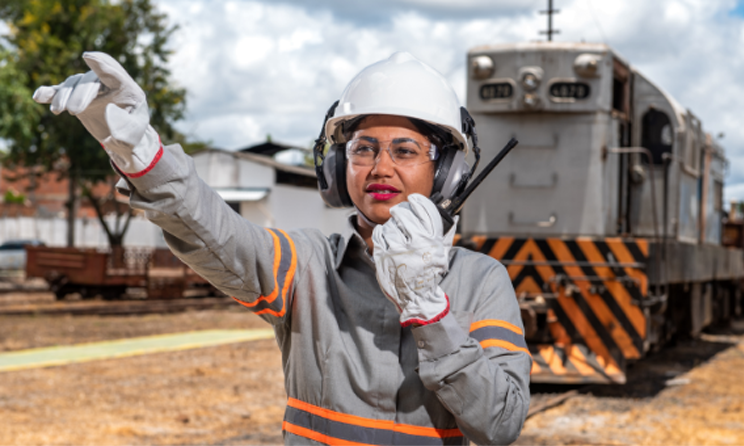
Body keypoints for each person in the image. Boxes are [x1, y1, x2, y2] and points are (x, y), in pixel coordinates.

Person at [33, 51, 532, 446]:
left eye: (404, 150)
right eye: (362, 148)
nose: (380, 167)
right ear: (339, 166)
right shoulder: (308, 267)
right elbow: (215, 232)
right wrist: (140, 152)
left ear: (447, 171)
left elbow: (500, 424)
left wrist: (429, 309)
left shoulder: (480, 281)